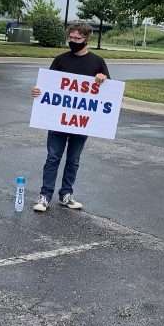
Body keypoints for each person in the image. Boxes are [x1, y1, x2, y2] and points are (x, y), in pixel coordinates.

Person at [30, 23, 109, 212]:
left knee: (73, 159)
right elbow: (48, 86)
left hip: (81, 122)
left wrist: (103, 79)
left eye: (78, 39)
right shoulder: (60, 60)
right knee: (53, 157)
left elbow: (108, 95)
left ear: (86, 39)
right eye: (71, 38)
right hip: (58, 119)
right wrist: (37, 91)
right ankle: (45, 196)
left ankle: (66, 194)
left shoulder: (97, 62)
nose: (73, 42)